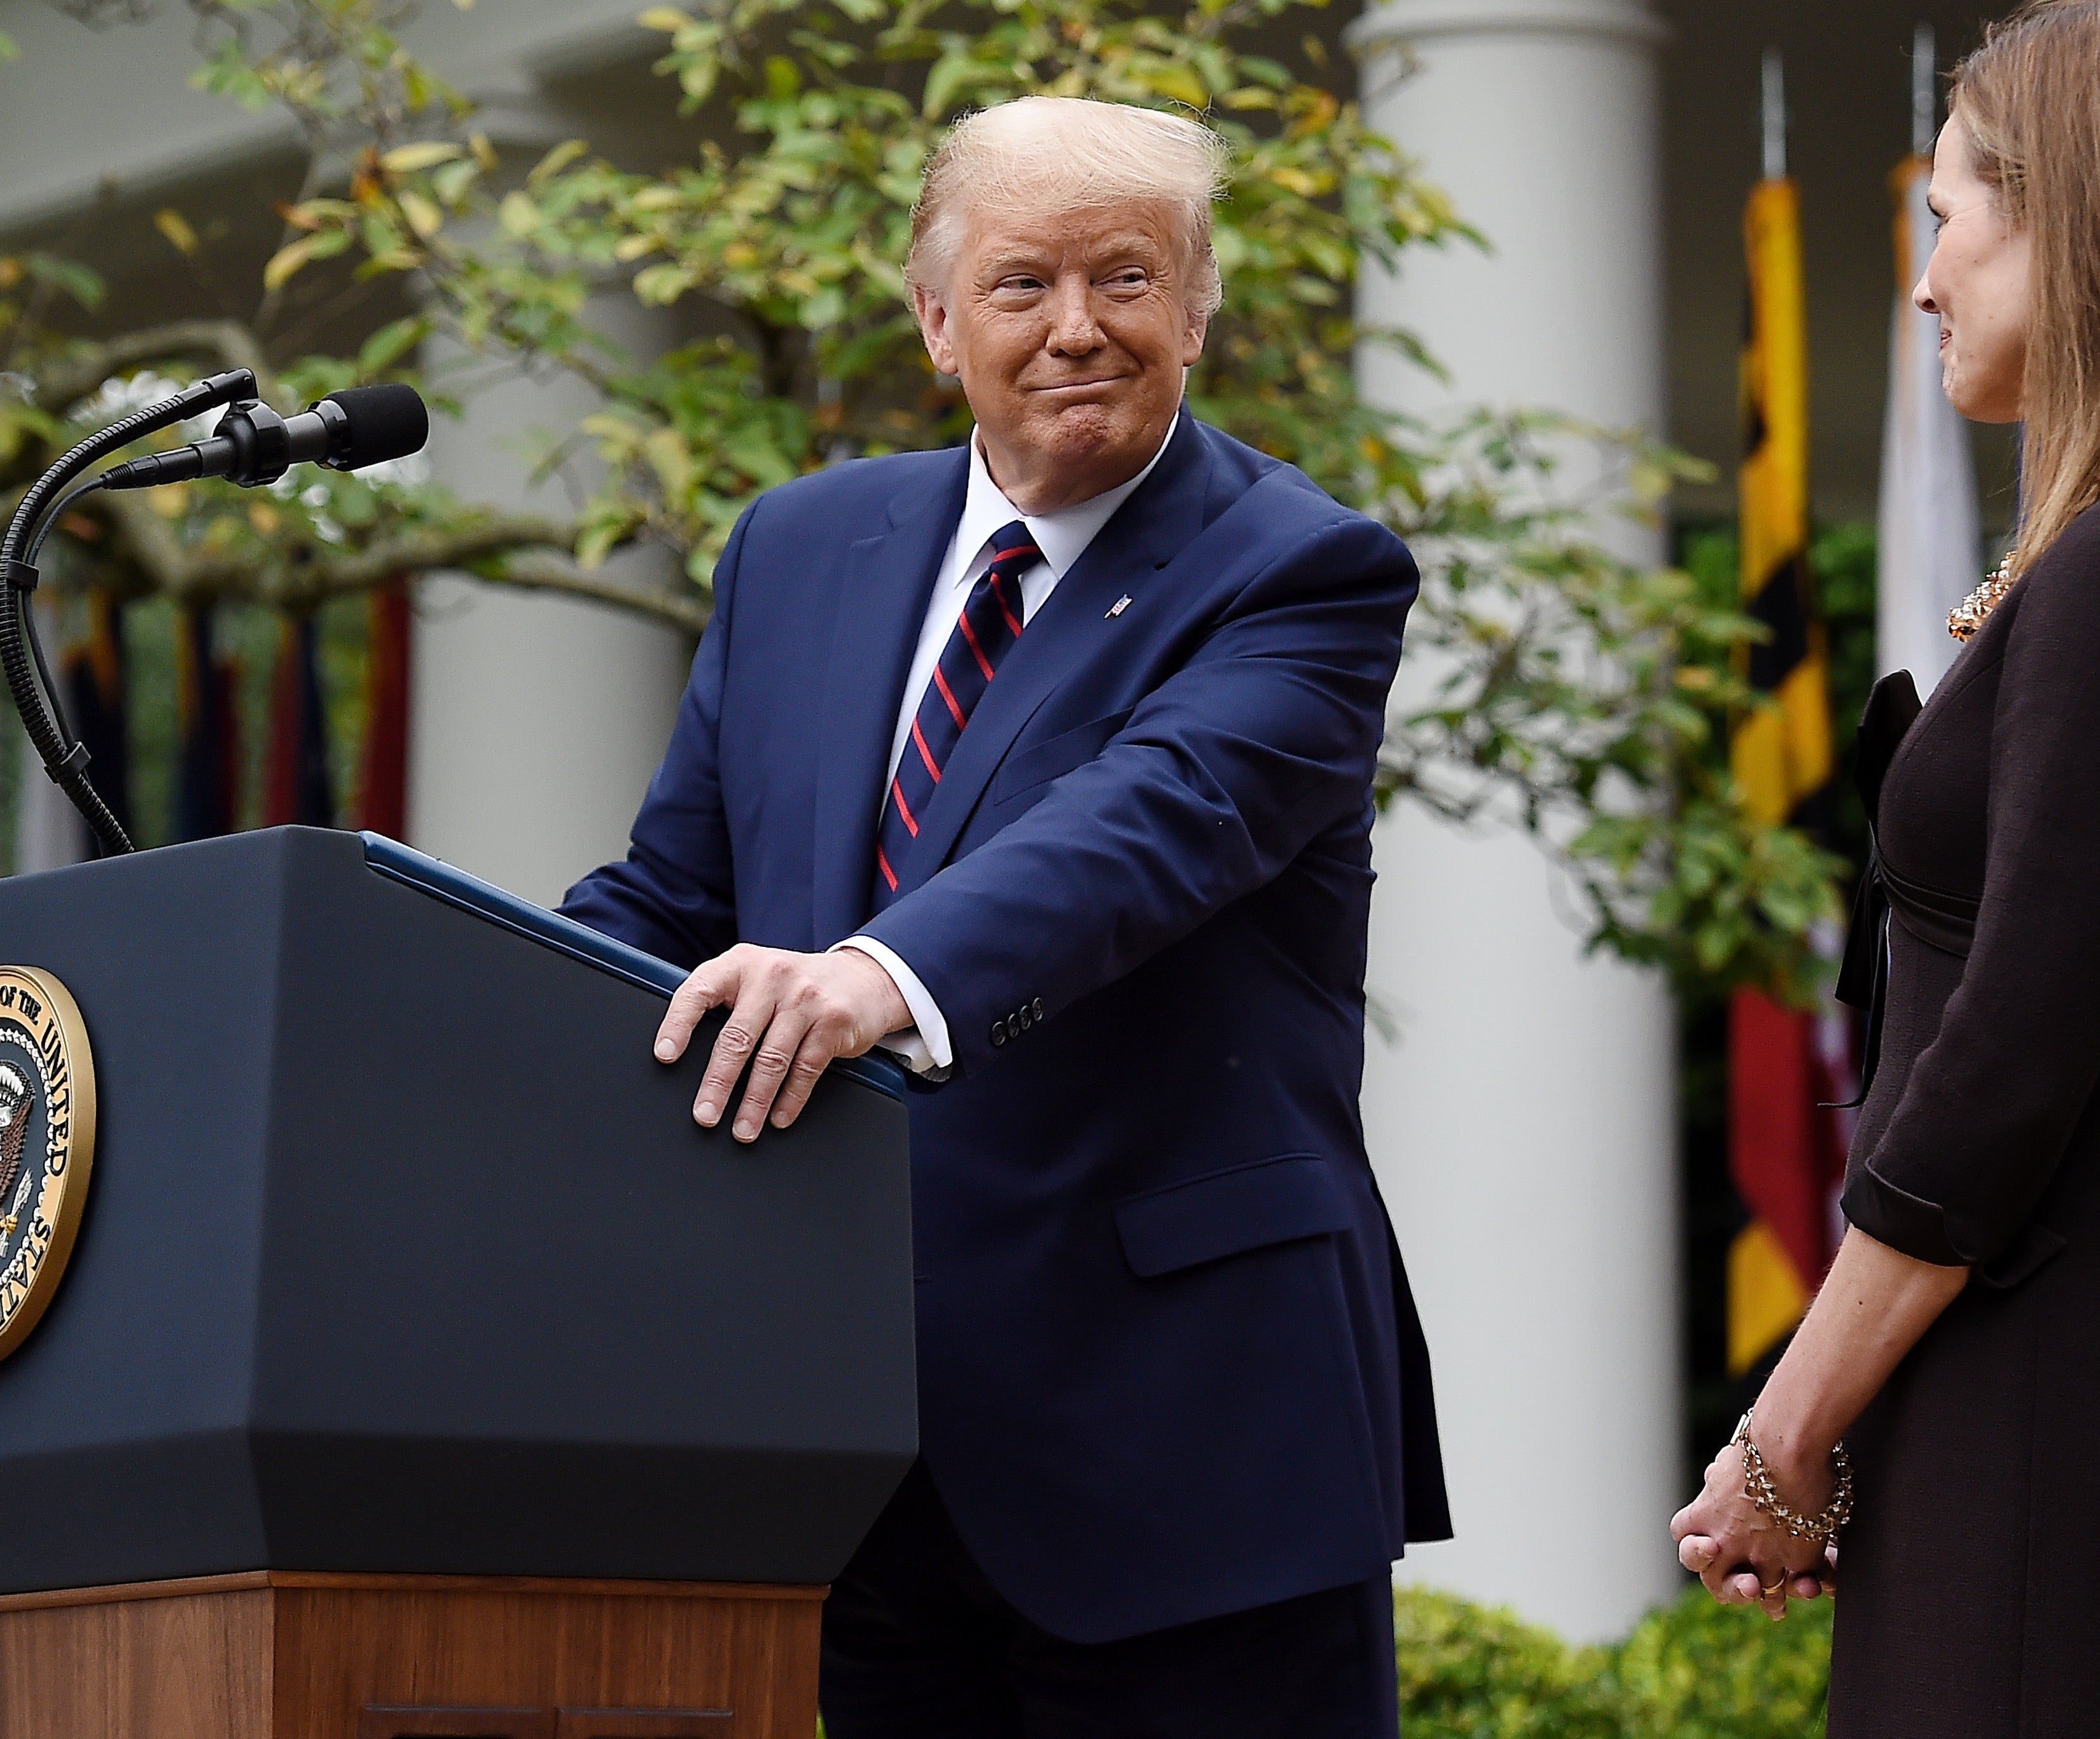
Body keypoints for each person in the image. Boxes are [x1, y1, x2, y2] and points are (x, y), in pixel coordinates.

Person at [560, 94, 1447, 1738]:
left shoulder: (1301, 569)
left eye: (1127, 278)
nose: (1077, 328)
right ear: (935, 318)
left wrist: (868, 981)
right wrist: (402, 987)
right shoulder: (799, 549)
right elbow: (668, 898)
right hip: (848, 1449)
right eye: (1023, 283)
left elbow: (1139, 833)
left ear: (1195, 312)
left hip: (1186, 1447)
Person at [1670, 0, 2100, 1736]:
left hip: (2061, 1348)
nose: (1922, 280)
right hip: (2039, 1339)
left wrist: (1784, 1425)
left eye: (1944, 220)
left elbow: (2001, 1072)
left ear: (2085, 225)